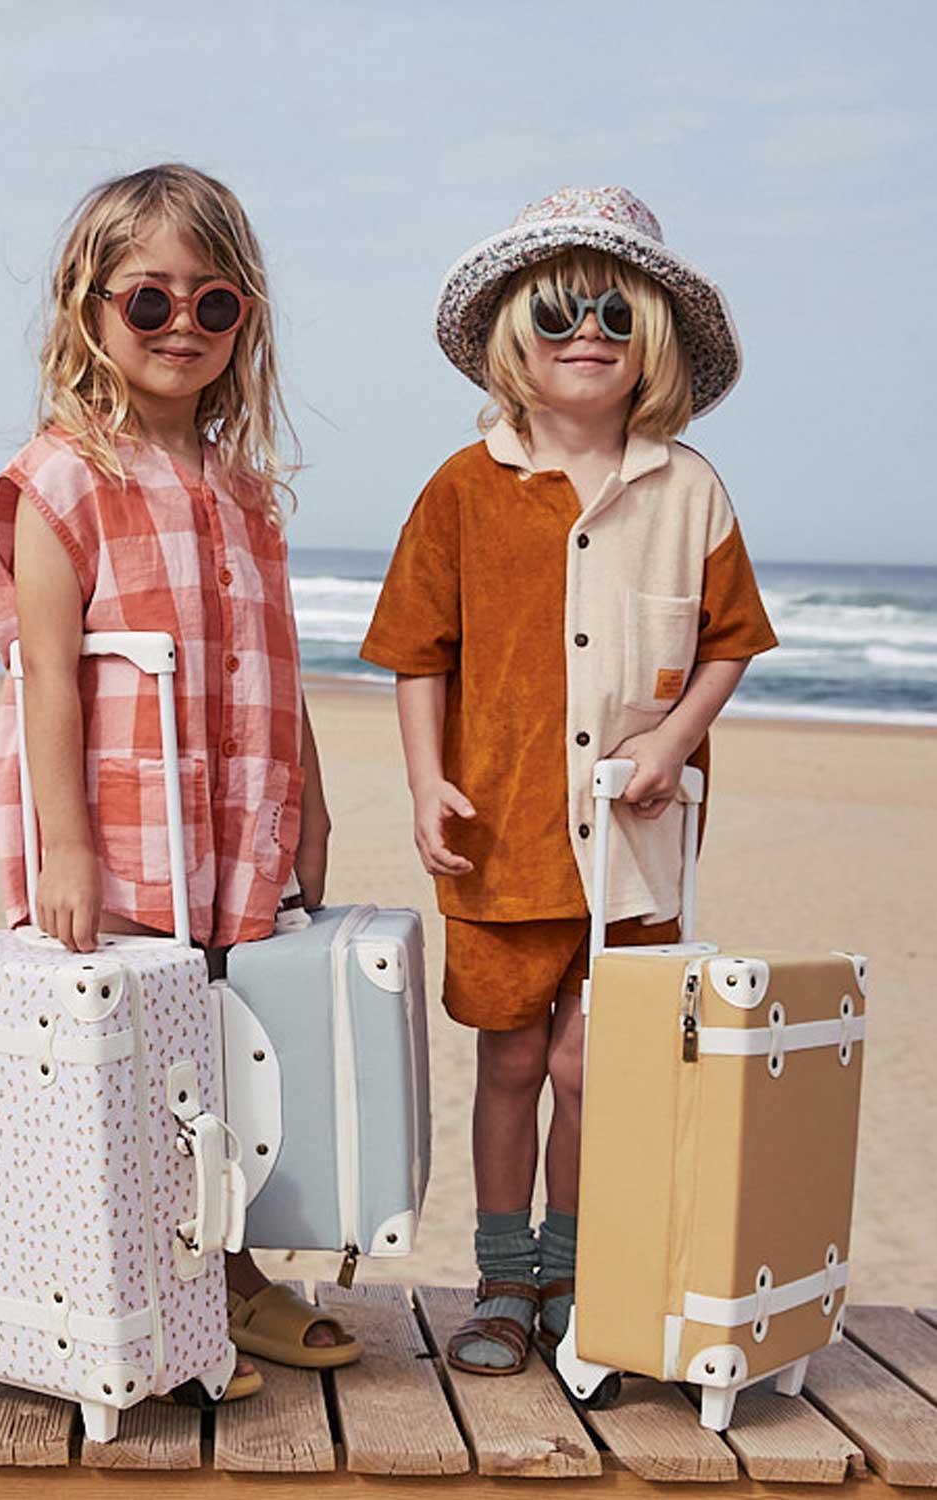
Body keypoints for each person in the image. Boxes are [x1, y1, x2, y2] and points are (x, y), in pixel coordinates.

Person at [361, 187, 778, 1374]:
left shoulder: (690, 489)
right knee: (511, 1060)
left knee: (597, 1065)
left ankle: (575, 1269)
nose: (584, 332)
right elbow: (416, 652)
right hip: (501, 837)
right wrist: (425, 781)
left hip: (638, 847)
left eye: (610, 312)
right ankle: (501, 1279)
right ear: (512, 340)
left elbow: (730, 639)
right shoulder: (461, 485)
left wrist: (676, 735)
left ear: (649, 337)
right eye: (556, 315)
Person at [0, 164, 361, 1400]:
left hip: (230, 820)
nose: (182, 330)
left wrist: (307, 793)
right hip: (122, 826)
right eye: (150, 303)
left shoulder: (246, 487)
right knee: (134, 1056)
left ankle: (227, 1267)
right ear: (89, 308)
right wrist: (71, 850)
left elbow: (280, 655)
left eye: (215, 306)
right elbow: (46, 675)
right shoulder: (60, 478)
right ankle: (136, 1286)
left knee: (225, 1046)